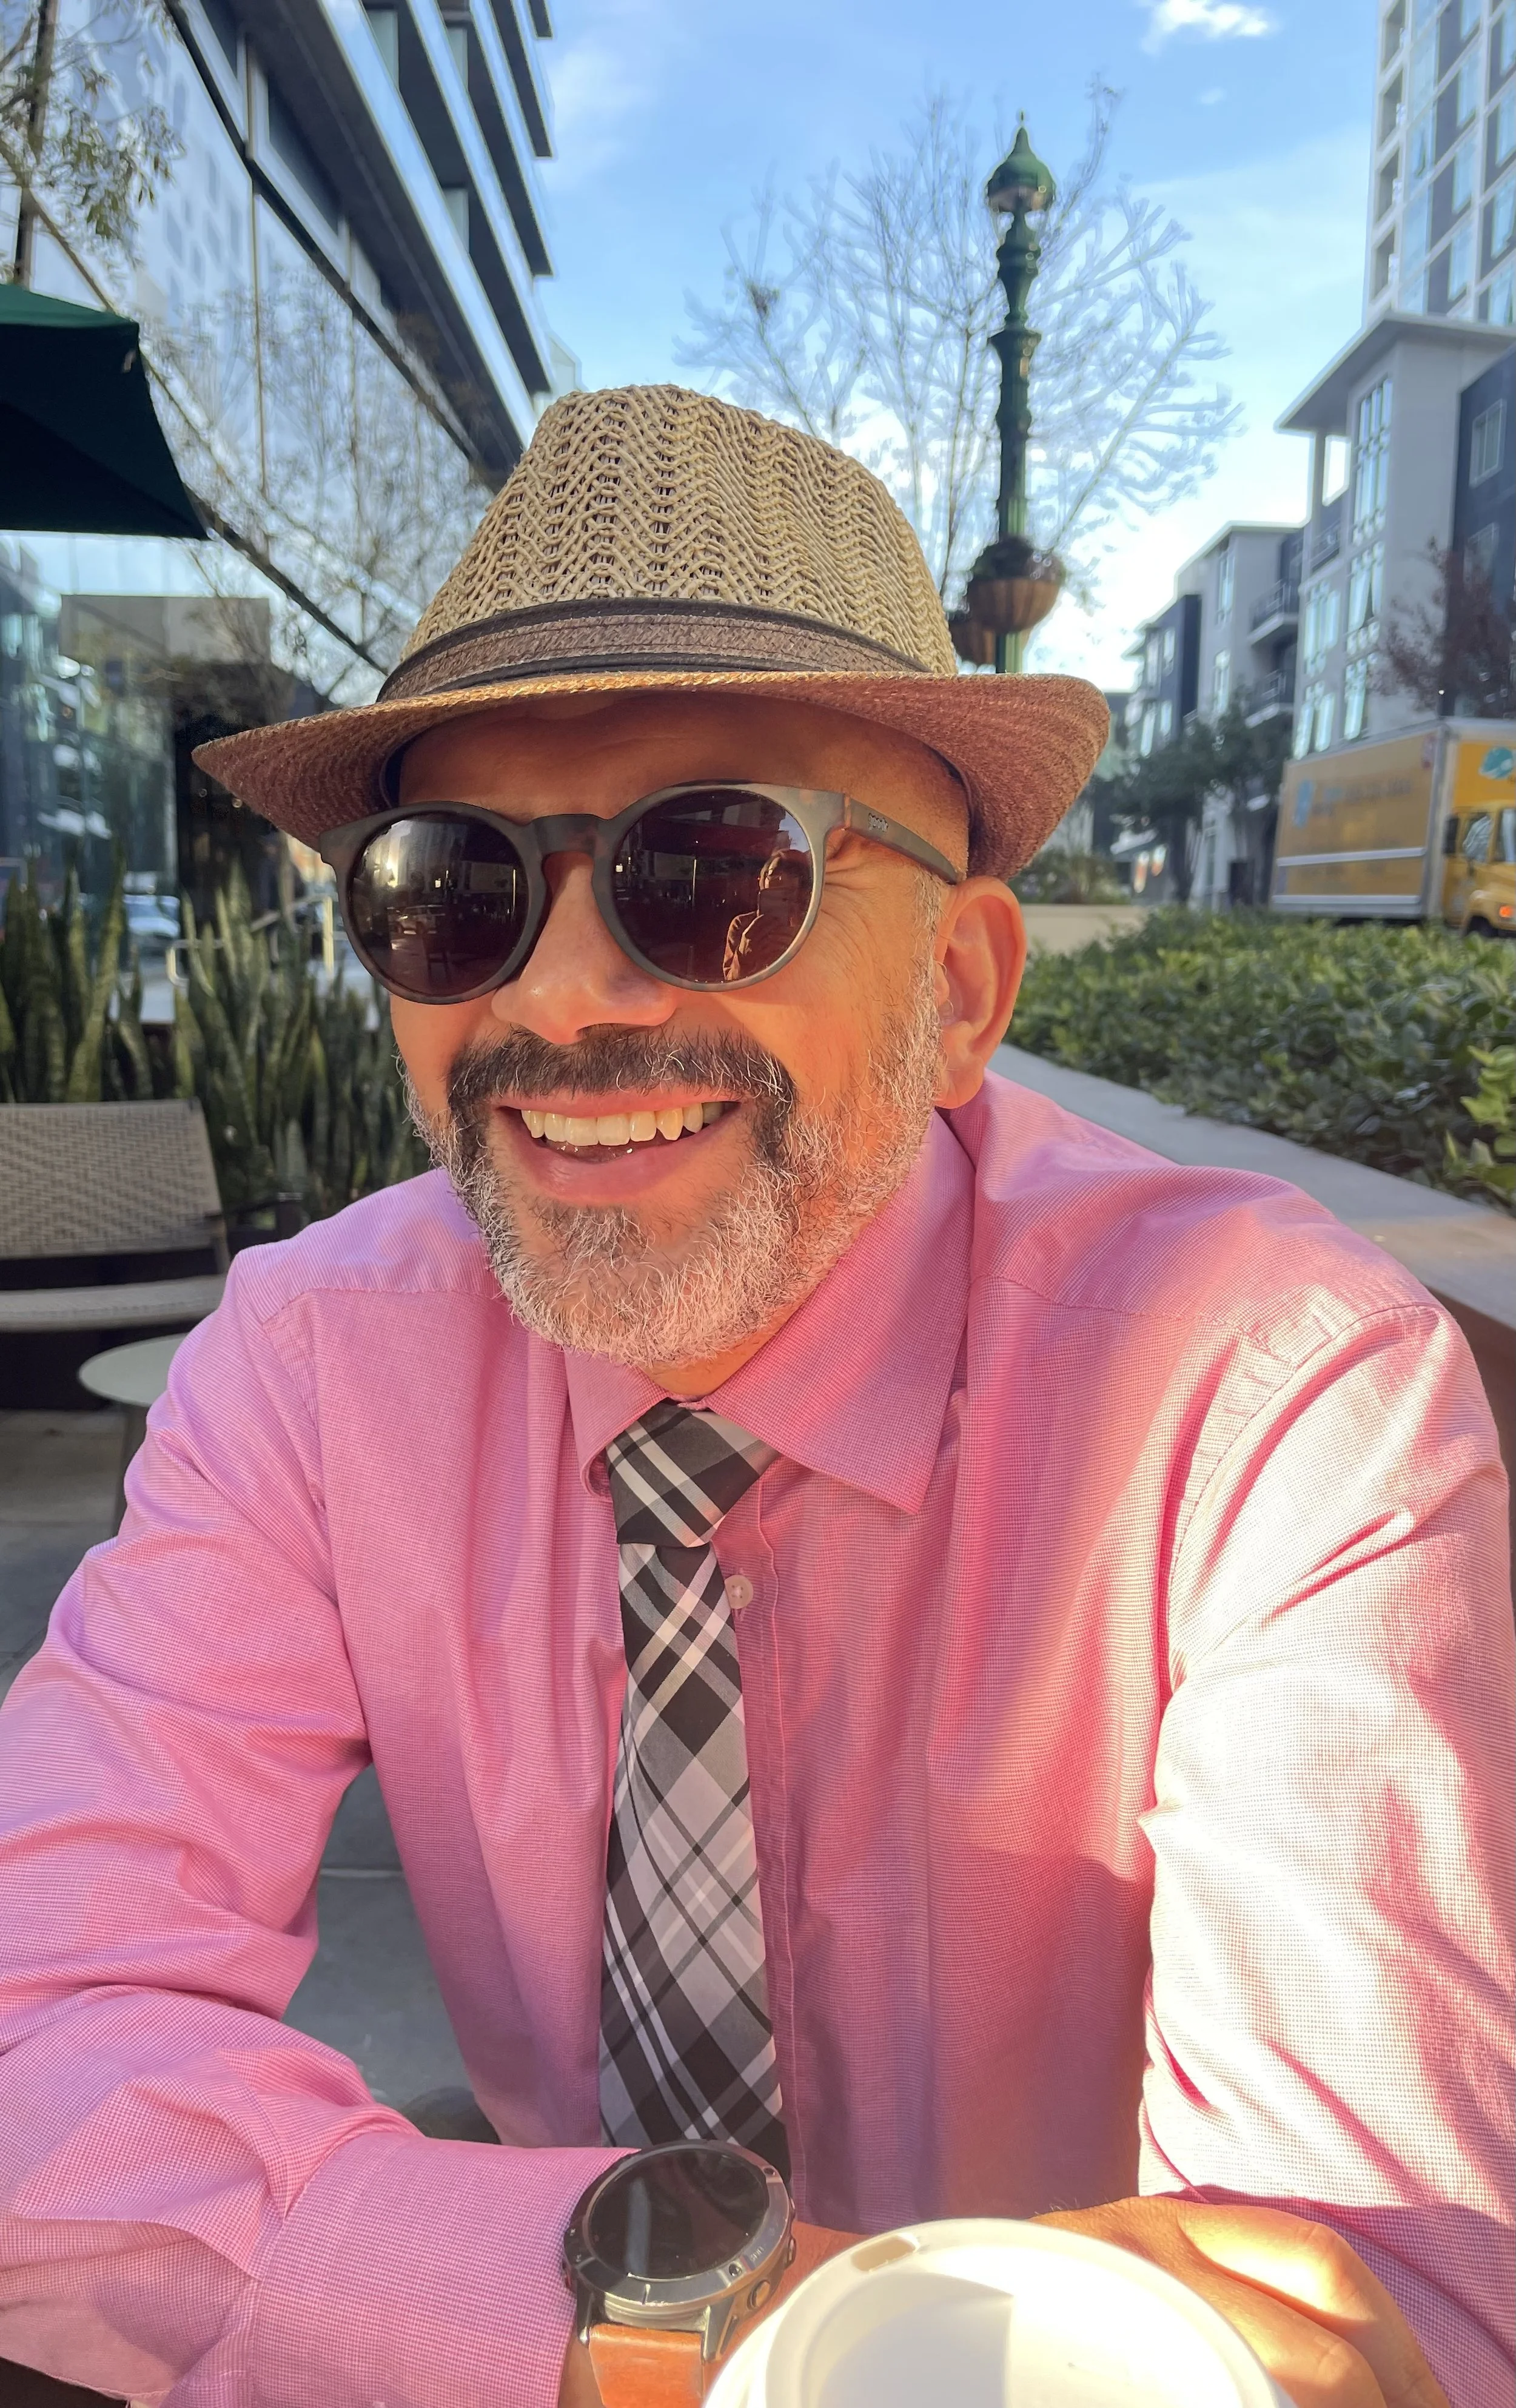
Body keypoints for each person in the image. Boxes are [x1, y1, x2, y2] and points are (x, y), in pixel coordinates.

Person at [0, 385, 1509, 2408]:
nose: (555, 998)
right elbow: (35, 2026)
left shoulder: (1267, 1389)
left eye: (706, 871)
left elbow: (1378, 2302)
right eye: (449, 888)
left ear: (958, 991)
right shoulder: (308, 1362)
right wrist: (710, 2334)